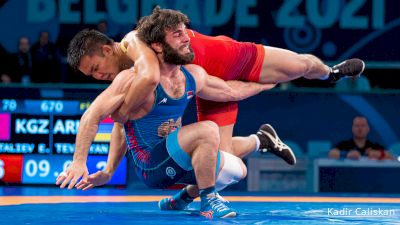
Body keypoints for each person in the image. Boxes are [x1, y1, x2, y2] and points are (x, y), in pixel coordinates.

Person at [57, 22, 276, 218]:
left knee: (237, 169)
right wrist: (84, 163)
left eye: (96, 69)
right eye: (92, 73)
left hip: (174, 158)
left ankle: (182, 198)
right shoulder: (131, 79)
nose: (98, 77)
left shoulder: (191, 75)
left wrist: (266, 83)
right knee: (208, 129)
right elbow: (95, 117)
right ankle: (209, 201)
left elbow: (230, 91)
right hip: (151, 164)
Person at [328, 116, 393, 160]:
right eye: (357, 126)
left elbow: (390, 156)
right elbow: (331, 153)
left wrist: (379, 154)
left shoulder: (374, 146)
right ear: (352, 129)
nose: (360, 129)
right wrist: (346, 154)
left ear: (368, 129)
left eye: (363, 126)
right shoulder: (344, 145)